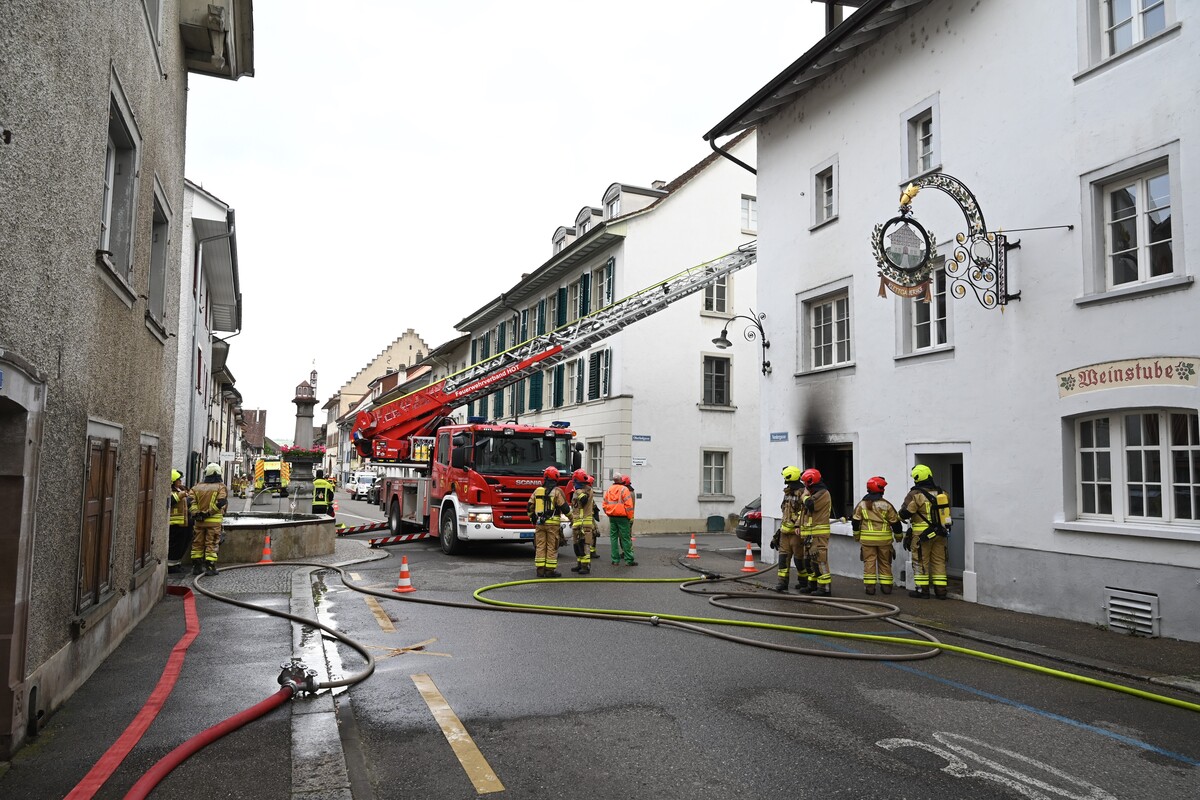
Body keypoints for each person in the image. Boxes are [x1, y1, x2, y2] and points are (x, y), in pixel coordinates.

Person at [900, 464, 951, 599]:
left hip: (922, 536)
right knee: (939, 561)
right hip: (940, 533)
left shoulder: (915, 495)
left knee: (921, 561)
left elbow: (905, 513)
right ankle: (941, 591)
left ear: (917, 478)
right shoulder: (942, 493)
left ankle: (922, 591)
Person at [850, 476, 904, 595]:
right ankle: (886, 588)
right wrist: (899, 537)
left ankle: (870, 588)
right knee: (885, 562)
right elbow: (895, 523)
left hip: (867, 540)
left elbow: (855, 522)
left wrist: (856, 536)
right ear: (881, 490)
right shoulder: (886, 505)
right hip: (884, 540)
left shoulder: (862, 505)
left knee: (869, 562)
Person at [528, 466, 570, 578]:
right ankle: (550, 571)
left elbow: (529, 506)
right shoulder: (557, 491)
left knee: (540, 545)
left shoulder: (538, 491)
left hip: (539, 524)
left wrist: (532, 518)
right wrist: (572, 518)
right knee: (552, 546)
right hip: (553, 525)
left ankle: (540, 570)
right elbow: (565, 508)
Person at [771, 466, 807, 593]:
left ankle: (804, 582)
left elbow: (804, 513)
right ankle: (782, 583)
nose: (786, 484)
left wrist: (797, 525)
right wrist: (778, 534)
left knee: (799, 559)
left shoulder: (802, 493)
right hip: (785, 533)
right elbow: (785, 514)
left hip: (797, 533)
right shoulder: (787, 493)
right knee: (783, 559)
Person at [189, 463, 229, 576]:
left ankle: (197, 567)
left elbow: (190, 502)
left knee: (197, 543)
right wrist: (208, 513)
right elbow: (221, 502)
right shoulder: (221, 487)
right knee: (211, 543)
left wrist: (197, 514)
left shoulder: (196, 487)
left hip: (199, 521)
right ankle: (210, 567)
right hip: (214, 521)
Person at [799, 467, 833, 595]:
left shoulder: (823, 493)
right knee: (809, 561)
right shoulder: (813, 493)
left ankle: (824, 588)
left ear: (810, 482)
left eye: (805, 483)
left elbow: (810, 505)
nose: (804, 486)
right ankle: (812, 585)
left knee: (820, 560)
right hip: (810, 534)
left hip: (818, 534)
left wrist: (804, 497)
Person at [603, 474, 637, 566]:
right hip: (623, 517)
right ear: (621, 480)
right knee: (625, 538)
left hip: (612, 517)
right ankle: (629, 559)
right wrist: (629, 517)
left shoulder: (609, 489)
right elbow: (629, 506)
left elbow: (604, 504)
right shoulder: (624, 489)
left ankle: (615, 560)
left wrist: (609, 513)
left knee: (613, 538)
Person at [569, 469, 597, 574]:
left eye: (575, 481)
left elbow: (584, 500)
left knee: (585, 544)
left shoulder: (587, 490)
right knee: (577, 545)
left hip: (585, 522)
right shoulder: (577, 490)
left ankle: (585, 566)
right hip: (577, 521)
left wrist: (578, 490)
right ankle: (579, 564)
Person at [167, 469, 192, 574]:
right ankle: (171, 566)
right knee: (175, 546)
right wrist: (180, 496)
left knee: (182, 545)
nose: (180, 481)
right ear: (173, 481)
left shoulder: (181, 489)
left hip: (184, 523)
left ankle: (177, 564)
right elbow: (169, 501)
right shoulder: (169, 491)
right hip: (175, 524)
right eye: (178, 479)